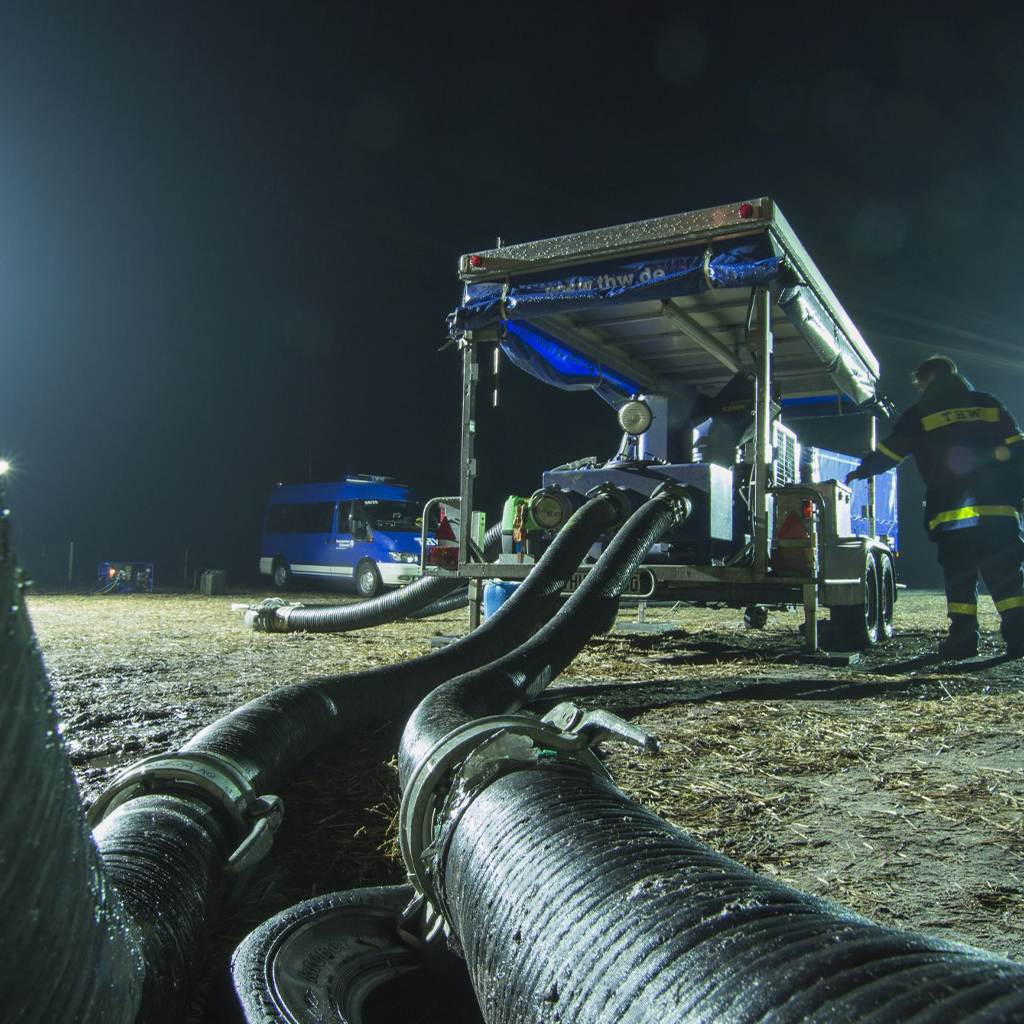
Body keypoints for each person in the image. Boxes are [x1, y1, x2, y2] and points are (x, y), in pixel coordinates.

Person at [845, 355, 1024, 659]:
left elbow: (891, 451)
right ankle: (1020, 639)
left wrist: (862, 469)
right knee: (1008, 580)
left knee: (960, 582)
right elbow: (1018, 448)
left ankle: (964, 641)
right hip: (1000, 514)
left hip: (955, 518)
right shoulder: (989, 403)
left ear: (927, 378)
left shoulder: (922, 412)